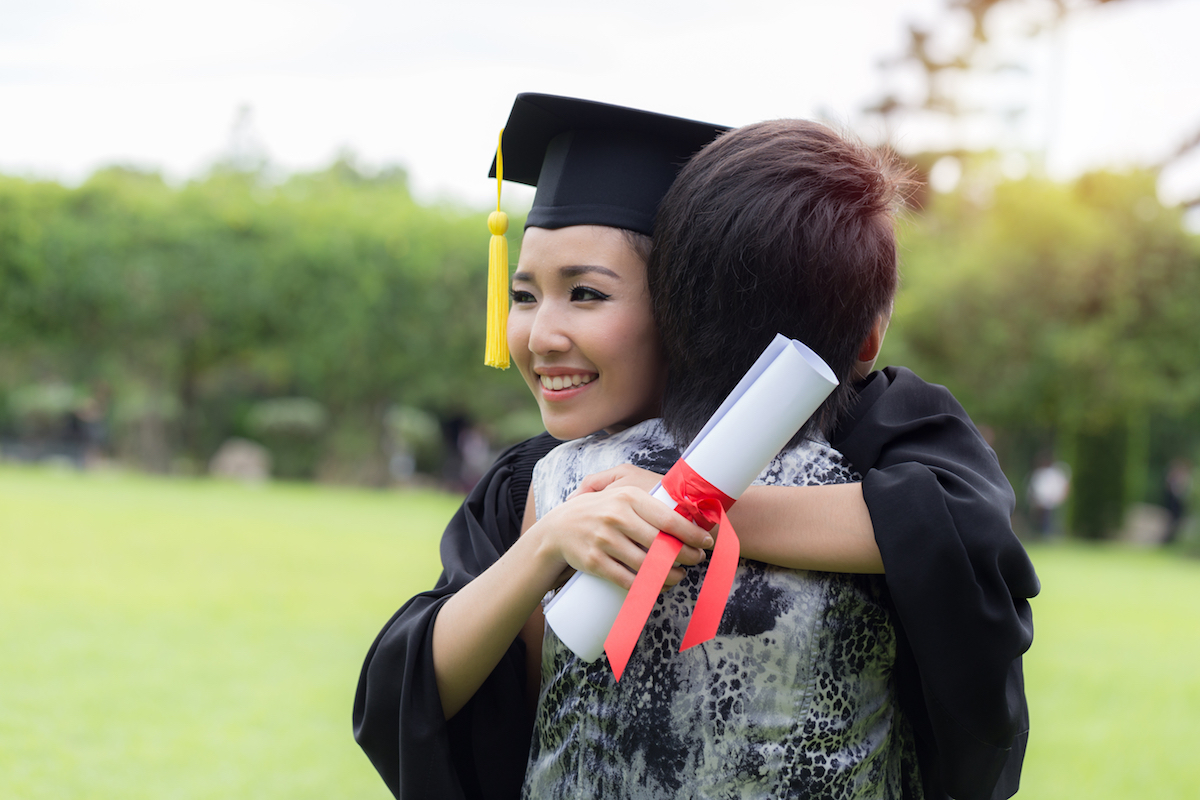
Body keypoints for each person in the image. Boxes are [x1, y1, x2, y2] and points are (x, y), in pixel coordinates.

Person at [353, 94, 1039, 800]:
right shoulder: (536, 481)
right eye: (524, 296)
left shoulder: (866, 424)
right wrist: (547, 546)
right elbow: (408, 700)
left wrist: (687, 507)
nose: (541, 334)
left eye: (587, 294)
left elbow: (959, 532)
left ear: (684, 302)